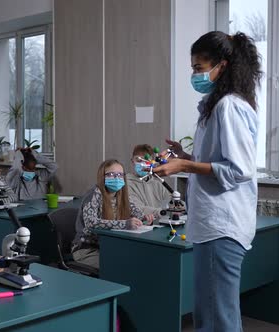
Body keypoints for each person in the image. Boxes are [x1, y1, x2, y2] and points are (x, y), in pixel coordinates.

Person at [153, 31, 262, 331]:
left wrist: (184, 164)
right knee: (215, 314)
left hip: (221, 227)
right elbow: (218, 159)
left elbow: (239, 169)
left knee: (216, 319)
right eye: (193, 68)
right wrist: (185, 154)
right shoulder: (219, 106)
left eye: (199, 68)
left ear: (222, 66)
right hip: (213, 226)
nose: (195, 75)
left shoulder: (229, 106)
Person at [71, 159, 153, 269]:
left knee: (137, 262)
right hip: (87, 250)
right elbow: (91, 223)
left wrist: (144, 218)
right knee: (118, 268)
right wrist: (125, 224)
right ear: (102, 176)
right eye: (111, 174)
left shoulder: (122, 195)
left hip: (109, 247)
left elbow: (138, 214)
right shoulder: (93, 195)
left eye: (120, 174)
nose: (116, 178)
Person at [127, 144, 173, 216]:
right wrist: (162, 212)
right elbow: (137, 208)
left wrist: (178, 205)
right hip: (139, 224)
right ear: (132, 161)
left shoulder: (157, 184)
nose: (142, 164)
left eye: (146, 161)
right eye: (138, 160)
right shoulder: (126, 184)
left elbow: (170, 200)